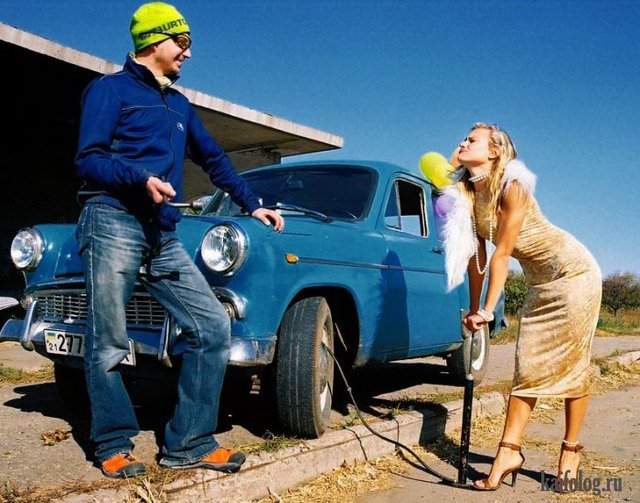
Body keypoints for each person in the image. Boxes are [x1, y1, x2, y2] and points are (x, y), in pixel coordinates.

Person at [74, 2, 284, 478]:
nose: (188, 53)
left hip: (162, 232)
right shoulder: (110, 90)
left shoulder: (180, 104)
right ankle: (112, 442)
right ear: (153, 41)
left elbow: (214, 160)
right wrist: (139, 178)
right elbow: (89, 158)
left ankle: (189, 442)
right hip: (112, 220)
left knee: (212, 326)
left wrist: (252, 203)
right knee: (108, 340)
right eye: (181, 42)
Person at [440, 123, 601, 491]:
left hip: (574, 274)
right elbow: (476, 259)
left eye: (472, 139)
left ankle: (570, 451)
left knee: (574, 365)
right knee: (527, 364)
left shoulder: (513, 187)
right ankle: (510, 452)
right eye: (464, 138)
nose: (463, 142)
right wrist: (474, 309)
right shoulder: (466, 195)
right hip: (539, 284)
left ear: (495, 151)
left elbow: (503, 253)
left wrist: (490, 309)